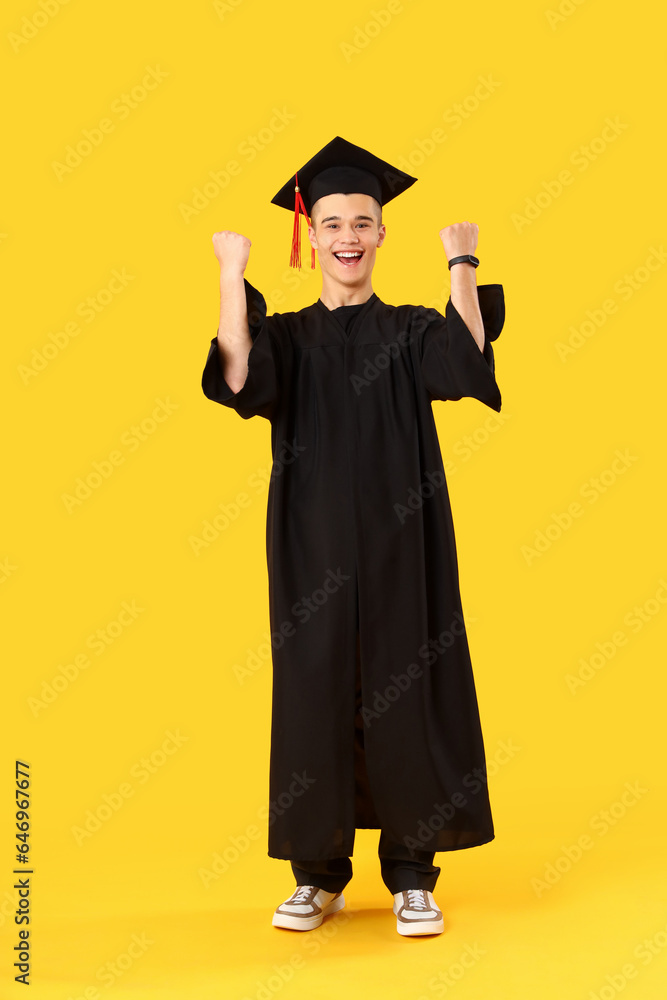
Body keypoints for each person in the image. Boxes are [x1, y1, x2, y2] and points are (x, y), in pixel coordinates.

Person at [201, 136, 505, 937]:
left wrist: (461, 265)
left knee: (410, 691)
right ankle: (318, 877)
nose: (346, 234)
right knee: (314, 697)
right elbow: (236, 375)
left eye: (362, 221)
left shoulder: (407, 333)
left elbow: (469, 364)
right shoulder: (292, 339)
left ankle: (412, 875)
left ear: (378, 235)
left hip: (406, 549)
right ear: (314, 233)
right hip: (311, 550)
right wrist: (231, 276)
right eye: (331, 220)